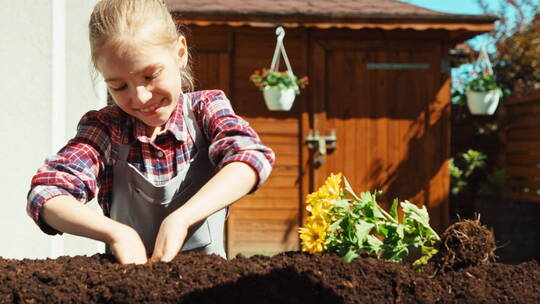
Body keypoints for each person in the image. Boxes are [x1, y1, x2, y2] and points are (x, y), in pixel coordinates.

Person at [26, 0, 274, 265]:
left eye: (150, 76)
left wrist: (182, 218)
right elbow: (46, 192)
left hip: (206, 289)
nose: (140, 97)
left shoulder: (206, 110)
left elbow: (249, 157)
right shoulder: (105, 129)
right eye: (119, 86)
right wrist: (116, 234)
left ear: (180, 53)